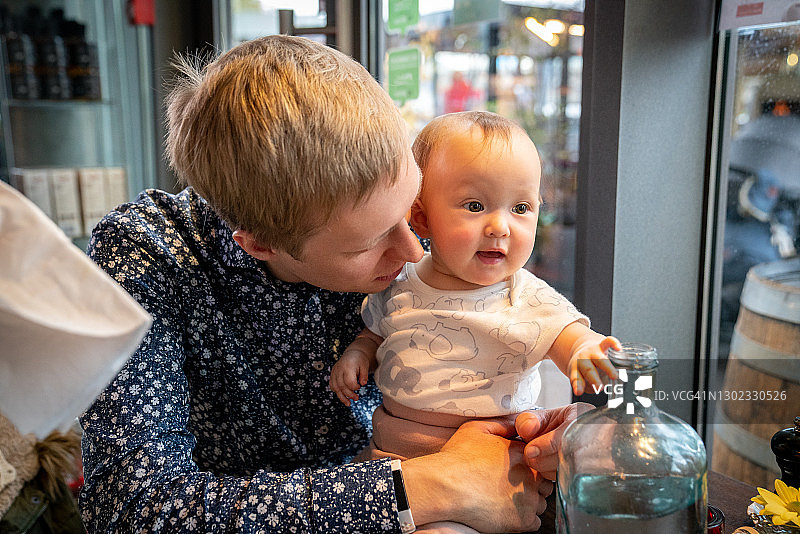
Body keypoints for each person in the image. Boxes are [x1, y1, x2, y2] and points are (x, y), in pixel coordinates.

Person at [78, 35, 580, 533]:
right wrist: (430, 485)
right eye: (368, 243)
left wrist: (552, 431)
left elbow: (510, 328)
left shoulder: (430, 230)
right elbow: (129, 510)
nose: (413, 249)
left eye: (412, 211)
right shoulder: (148, 256)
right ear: (260, 245)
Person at [329, 112, 618, 469]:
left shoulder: (524, 296)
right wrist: (358, 353)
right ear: (422, 218)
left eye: (521, 208)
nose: (500, 227)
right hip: (391, 456)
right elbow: (376, 332)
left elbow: (568, 336)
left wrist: (585, 350)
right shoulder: (400, 280)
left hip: (491, 466)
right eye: (475, 206)